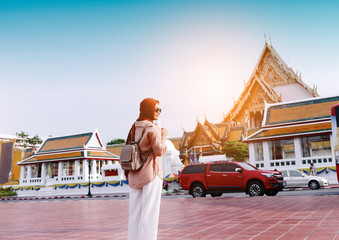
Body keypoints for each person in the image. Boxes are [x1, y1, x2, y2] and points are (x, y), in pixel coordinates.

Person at [126, 98, 167, 240]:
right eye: (156, 109)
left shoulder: (134, 127)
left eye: (160, 110)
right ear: (149, 109)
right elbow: (159, 150)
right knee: (149, 215)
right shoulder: (152, 128)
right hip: (151, 173)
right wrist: (164, 136)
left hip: (134, 174)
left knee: (134, 214)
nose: (158, 112)